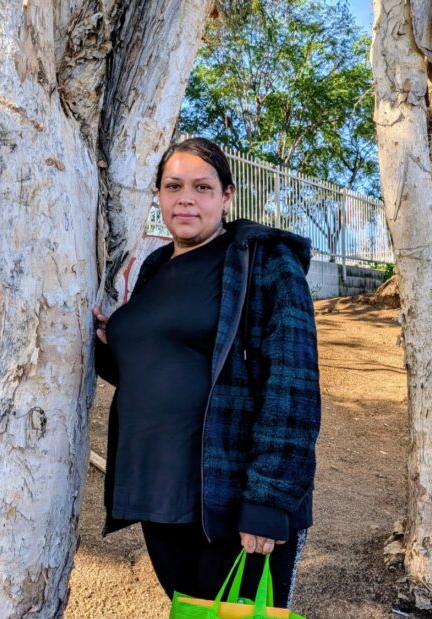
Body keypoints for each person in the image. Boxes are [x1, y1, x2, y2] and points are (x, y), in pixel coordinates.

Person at [93, 137, 321, 607]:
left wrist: (269, 500)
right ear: (158, 194)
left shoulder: (262, 260)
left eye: (202, 186)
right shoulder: (154, 268)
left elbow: (292, 383)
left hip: (231, 499)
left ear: (227, 196)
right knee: (191, 613)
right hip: (160, 495)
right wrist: (111, 344)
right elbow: (167, 369)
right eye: (173, 186)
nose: (186, 199)